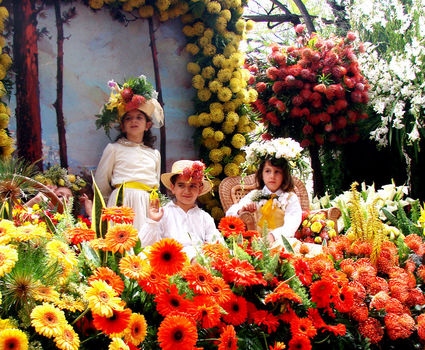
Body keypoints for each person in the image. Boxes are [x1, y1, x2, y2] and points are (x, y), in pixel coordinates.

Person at [95, 75, 164, 233]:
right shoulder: (114, 148)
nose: (134, 121)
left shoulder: (154, 154)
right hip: (123, 201)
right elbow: (101, 182)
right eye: (129, 118)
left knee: (145, 243)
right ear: (123, 126)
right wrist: (109, 204)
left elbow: (156, 182)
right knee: (123, 243)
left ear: (147, 125)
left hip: (147, 202)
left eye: (139, 117)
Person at [139, 160, 224, 262]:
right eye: (181, 185)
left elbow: (216, 244)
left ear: (200, 189)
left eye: (192, 186)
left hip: (197, 264)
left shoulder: (204, 217)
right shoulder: (163, 213)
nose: (187, 191)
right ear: (172, 188)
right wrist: (153, 221)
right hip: (169, 262)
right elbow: (145, 244)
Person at [226, 138, 304, 248]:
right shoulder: (255, 195)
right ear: (261, 174)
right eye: (268, 171)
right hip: (257, 244)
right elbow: (229, 213)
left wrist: (273, 236)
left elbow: (291, 225)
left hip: (281, 243)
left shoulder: (290, 198)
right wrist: (241, 210)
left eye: (277, 172)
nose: (272, 176)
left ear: (284, 175)